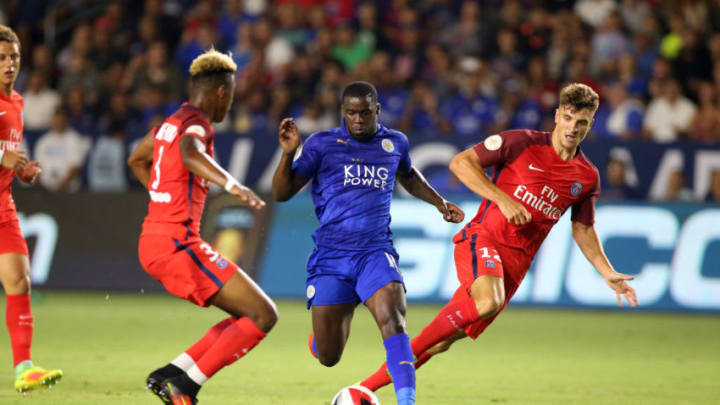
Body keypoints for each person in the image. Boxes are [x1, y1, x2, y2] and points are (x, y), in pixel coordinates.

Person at [358, 83, 639, 395]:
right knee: (487, 302)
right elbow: (461, 163)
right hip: (482, 239)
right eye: (569, 118)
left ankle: (361, 390)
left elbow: (583, 228)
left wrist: (607, 271)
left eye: (582, 122)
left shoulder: (586, 176)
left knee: (440, 343)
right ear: (558, 116)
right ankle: (391, 363)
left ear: (590, 125)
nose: (573, 127)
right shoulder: (522, 142)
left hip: (514, 268)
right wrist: (502, 199)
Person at [272, 81, 465, 405]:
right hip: (332, 256)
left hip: (375, 252)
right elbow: (281, 193)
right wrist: (289, 153)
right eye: (351, 113)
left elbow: (408, 175)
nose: (358, 119)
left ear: (376, 111)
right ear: (342, 113)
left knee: (394, 319)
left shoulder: (395, 143)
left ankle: (407, 401)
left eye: (364, 113)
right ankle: (321, 339)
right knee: (329, 356)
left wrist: (440, 203)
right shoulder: (322, 144)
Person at [127, 49, 277, 405]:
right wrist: (232, 184)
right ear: (222, 93)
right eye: (232, 96)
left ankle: (172, 374)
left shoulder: (169, 122)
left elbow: (137, 158)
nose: (230, 105)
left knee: (246, 314)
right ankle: (186, 386)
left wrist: (164, 195)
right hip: (177, 244)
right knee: (263, 314)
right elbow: (191, 154)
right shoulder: (197, 124)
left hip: (154, 238)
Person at [0, 24, 63, 394]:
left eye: (14, 57)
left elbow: (7, 156)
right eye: (2, 59)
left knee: (19, 280)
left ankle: (24, 368)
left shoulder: (18, 102)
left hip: (3, 205)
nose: (9, 64)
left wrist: (21, 169)